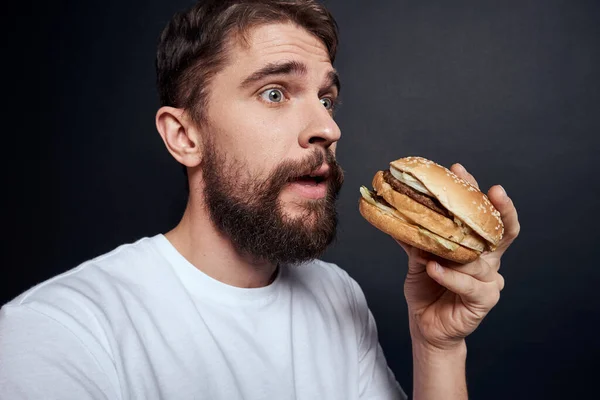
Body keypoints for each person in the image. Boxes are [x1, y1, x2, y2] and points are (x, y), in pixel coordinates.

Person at [0, 1, 520, 399]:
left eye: (326, 98)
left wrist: (438, 347)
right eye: (274, 92)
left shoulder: (338, 295)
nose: (327, 127)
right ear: (185, 136)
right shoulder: (59, 332)